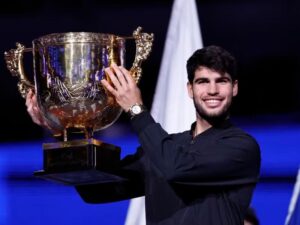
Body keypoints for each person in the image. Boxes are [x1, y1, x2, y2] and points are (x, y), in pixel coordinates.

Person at [26, 45, 261, 225]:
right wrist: (64, 129)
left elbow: (176, 167)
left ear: (235, 88)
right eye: (203, 81)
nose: (212, 90)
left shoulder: (241, 147)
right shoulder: (164, 147)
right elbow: (97, 190)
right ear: (190, 89)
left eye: (222, 81)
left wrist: (136, 109)